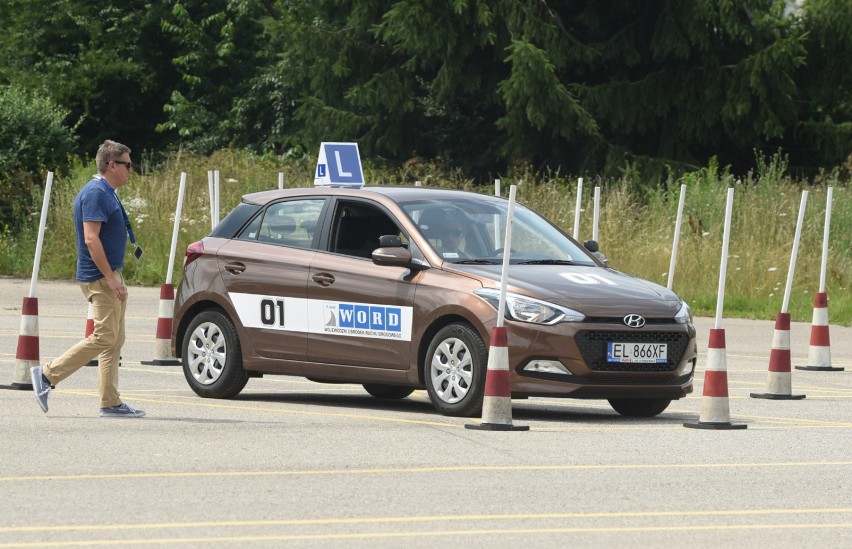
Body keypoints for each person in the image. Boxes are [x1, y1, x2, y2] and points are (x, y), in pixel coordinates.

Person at [30, 140, 145, 418]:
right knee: (104, 337)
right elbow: (91, 238)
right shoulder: (96, 193)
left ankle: (111, 402)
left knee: (114, 340)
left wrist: (116, 276)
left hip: (110, 274)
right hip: (100, 277)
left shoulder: (107, 191)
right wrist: (110, 278)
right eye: (128, 164)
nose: (132, 169)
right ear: (112, 165)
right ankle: (47, 375)